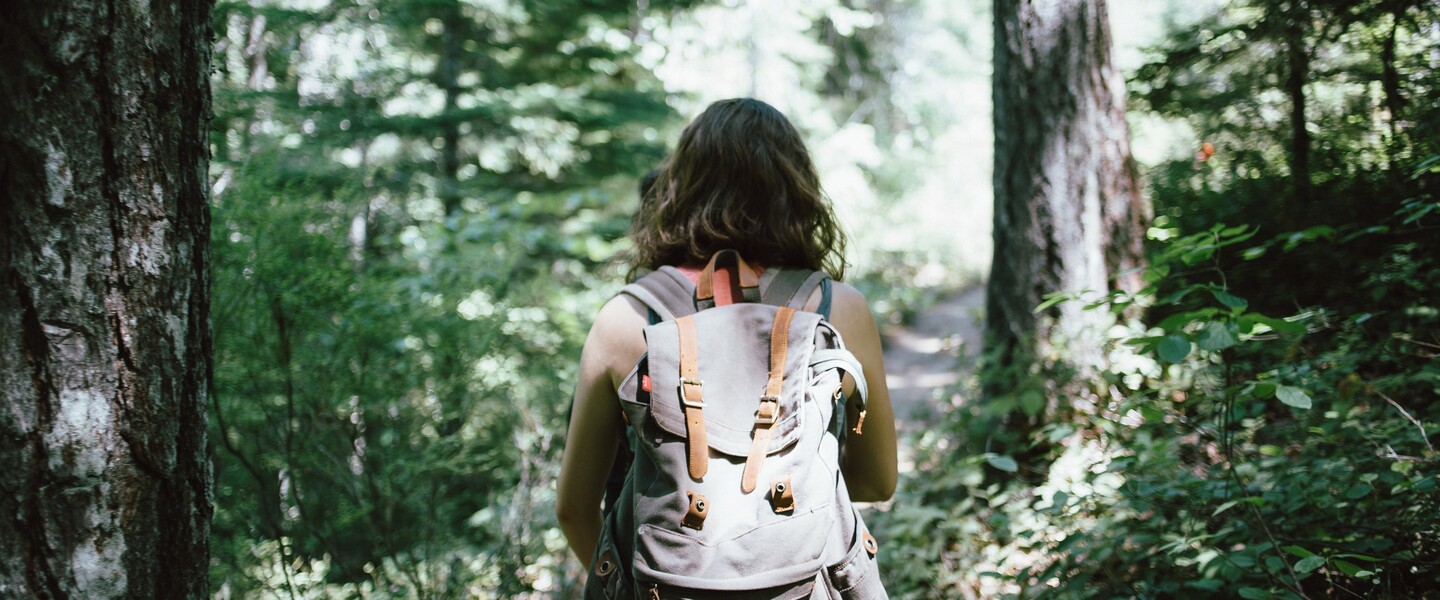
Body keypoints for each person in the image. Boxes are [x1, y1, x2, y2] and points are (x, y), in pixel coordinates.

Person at [556, 97, 897, 583]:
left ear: (681, 186)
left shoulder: (627, 318)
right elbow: (877, 480)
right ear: (795, 189)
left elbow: (573, 508)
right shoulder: (838, 309)